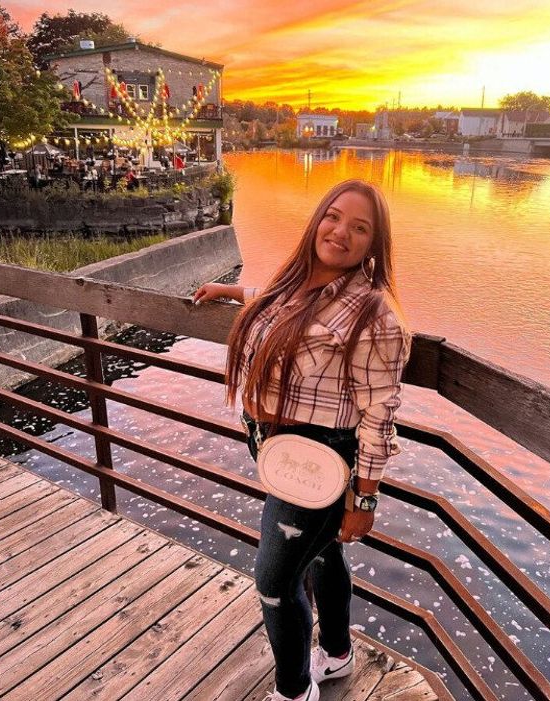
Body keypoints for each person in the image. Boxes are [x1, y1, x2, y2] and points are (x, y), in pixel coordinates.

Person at [191, 179, 409, 701]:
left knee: (274, 582)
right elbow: (277, 305)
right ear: (317, 219)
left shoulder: (375, 315)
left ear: (374, 244)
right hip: (278, 448)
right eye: (333, 217)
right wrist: (229, 292)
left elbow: (379, 417)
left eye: (360, 228)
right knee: (322, 554)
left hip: (319, 461)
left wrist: (364, 499)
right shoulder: (297, 282)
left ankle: (294, 691)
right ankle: (336, 654)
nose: (340, 233)